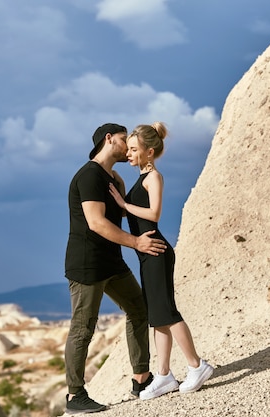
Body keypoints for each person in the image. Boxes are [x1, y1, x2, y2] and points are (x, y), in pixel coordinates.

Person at [64, 123, 167, 414]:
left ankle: (141, 378)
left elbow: (124, 209)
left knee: (138, 308)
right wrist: (137, 243)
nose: (129, 144)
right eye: (125, 140)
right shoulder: (89, 176)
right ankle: (74, 396)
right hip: (87, 264)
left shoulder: (112, 177)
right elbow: (96, 222)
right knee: (83, 329)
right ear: (109, 140)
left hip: (111, 261)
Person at [108, 122, 214, 400]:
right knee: (157, 317)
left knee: (166, 311)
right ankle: (164, 375)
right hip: (146, 253)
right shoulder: (140, 176)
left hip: (156, 251)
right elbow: (135, 216)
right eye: (128, 148)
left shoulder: (153, 177)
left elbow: (153, 214)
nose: (128, 154)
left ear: (149, 151)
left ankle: (197, 365)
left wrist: (122, 203)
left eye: (133, 149)